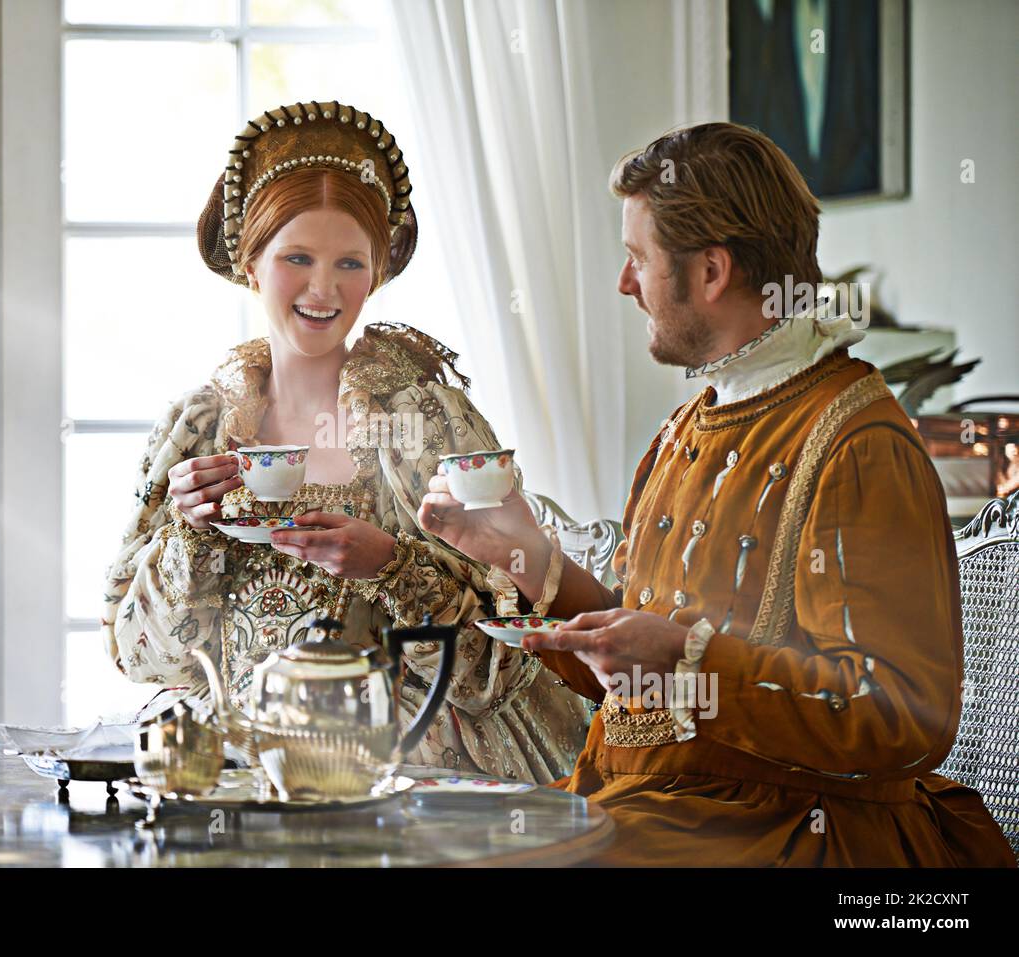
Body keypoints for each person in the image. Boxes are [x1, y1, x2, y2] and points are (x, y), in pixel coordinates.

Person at [417, 121, 1016, 865]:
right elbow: (630, 688)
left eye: (638, 258)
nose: (624, 283)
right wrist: (512, 546)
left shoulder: (859, 446)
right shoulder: (687, 425)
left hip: (800, 829)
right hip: (652, 805)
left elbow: (904, 718)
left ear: (711, 272)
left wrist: (690, 661)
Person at [99, 101, 590, 782]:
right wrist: (192, 534)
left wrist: (392, 566)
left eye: (350, 264)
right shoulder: (198, 428)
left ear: (378, 272)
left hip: (409, 773)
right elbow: (142, 657)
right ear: (250, 262)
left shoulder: (428, 423)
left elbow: (504, 667)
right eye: (297, 257)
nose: (323, 289)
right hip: (237, 771)